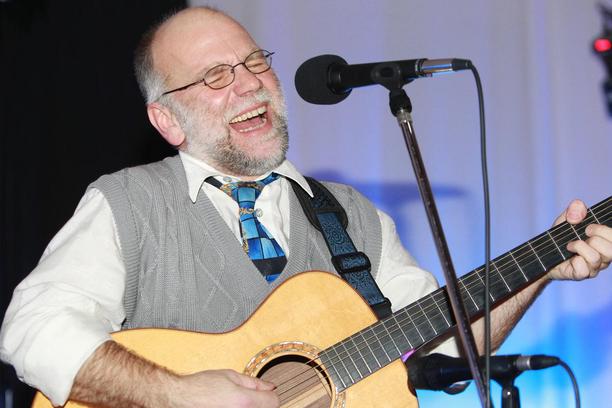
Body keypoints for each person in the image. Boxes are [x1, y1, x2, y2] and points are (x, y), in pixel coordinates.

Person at [1, 6, 610, 408]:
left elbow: (447, 348)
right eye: (215, 77)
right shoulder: (128, 203)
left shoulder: (351, 215)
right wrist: (177, 394)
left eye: (253, 62)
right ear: (167, 120)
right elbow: (33, 328)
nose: (249, 83)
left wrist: (544, 270)